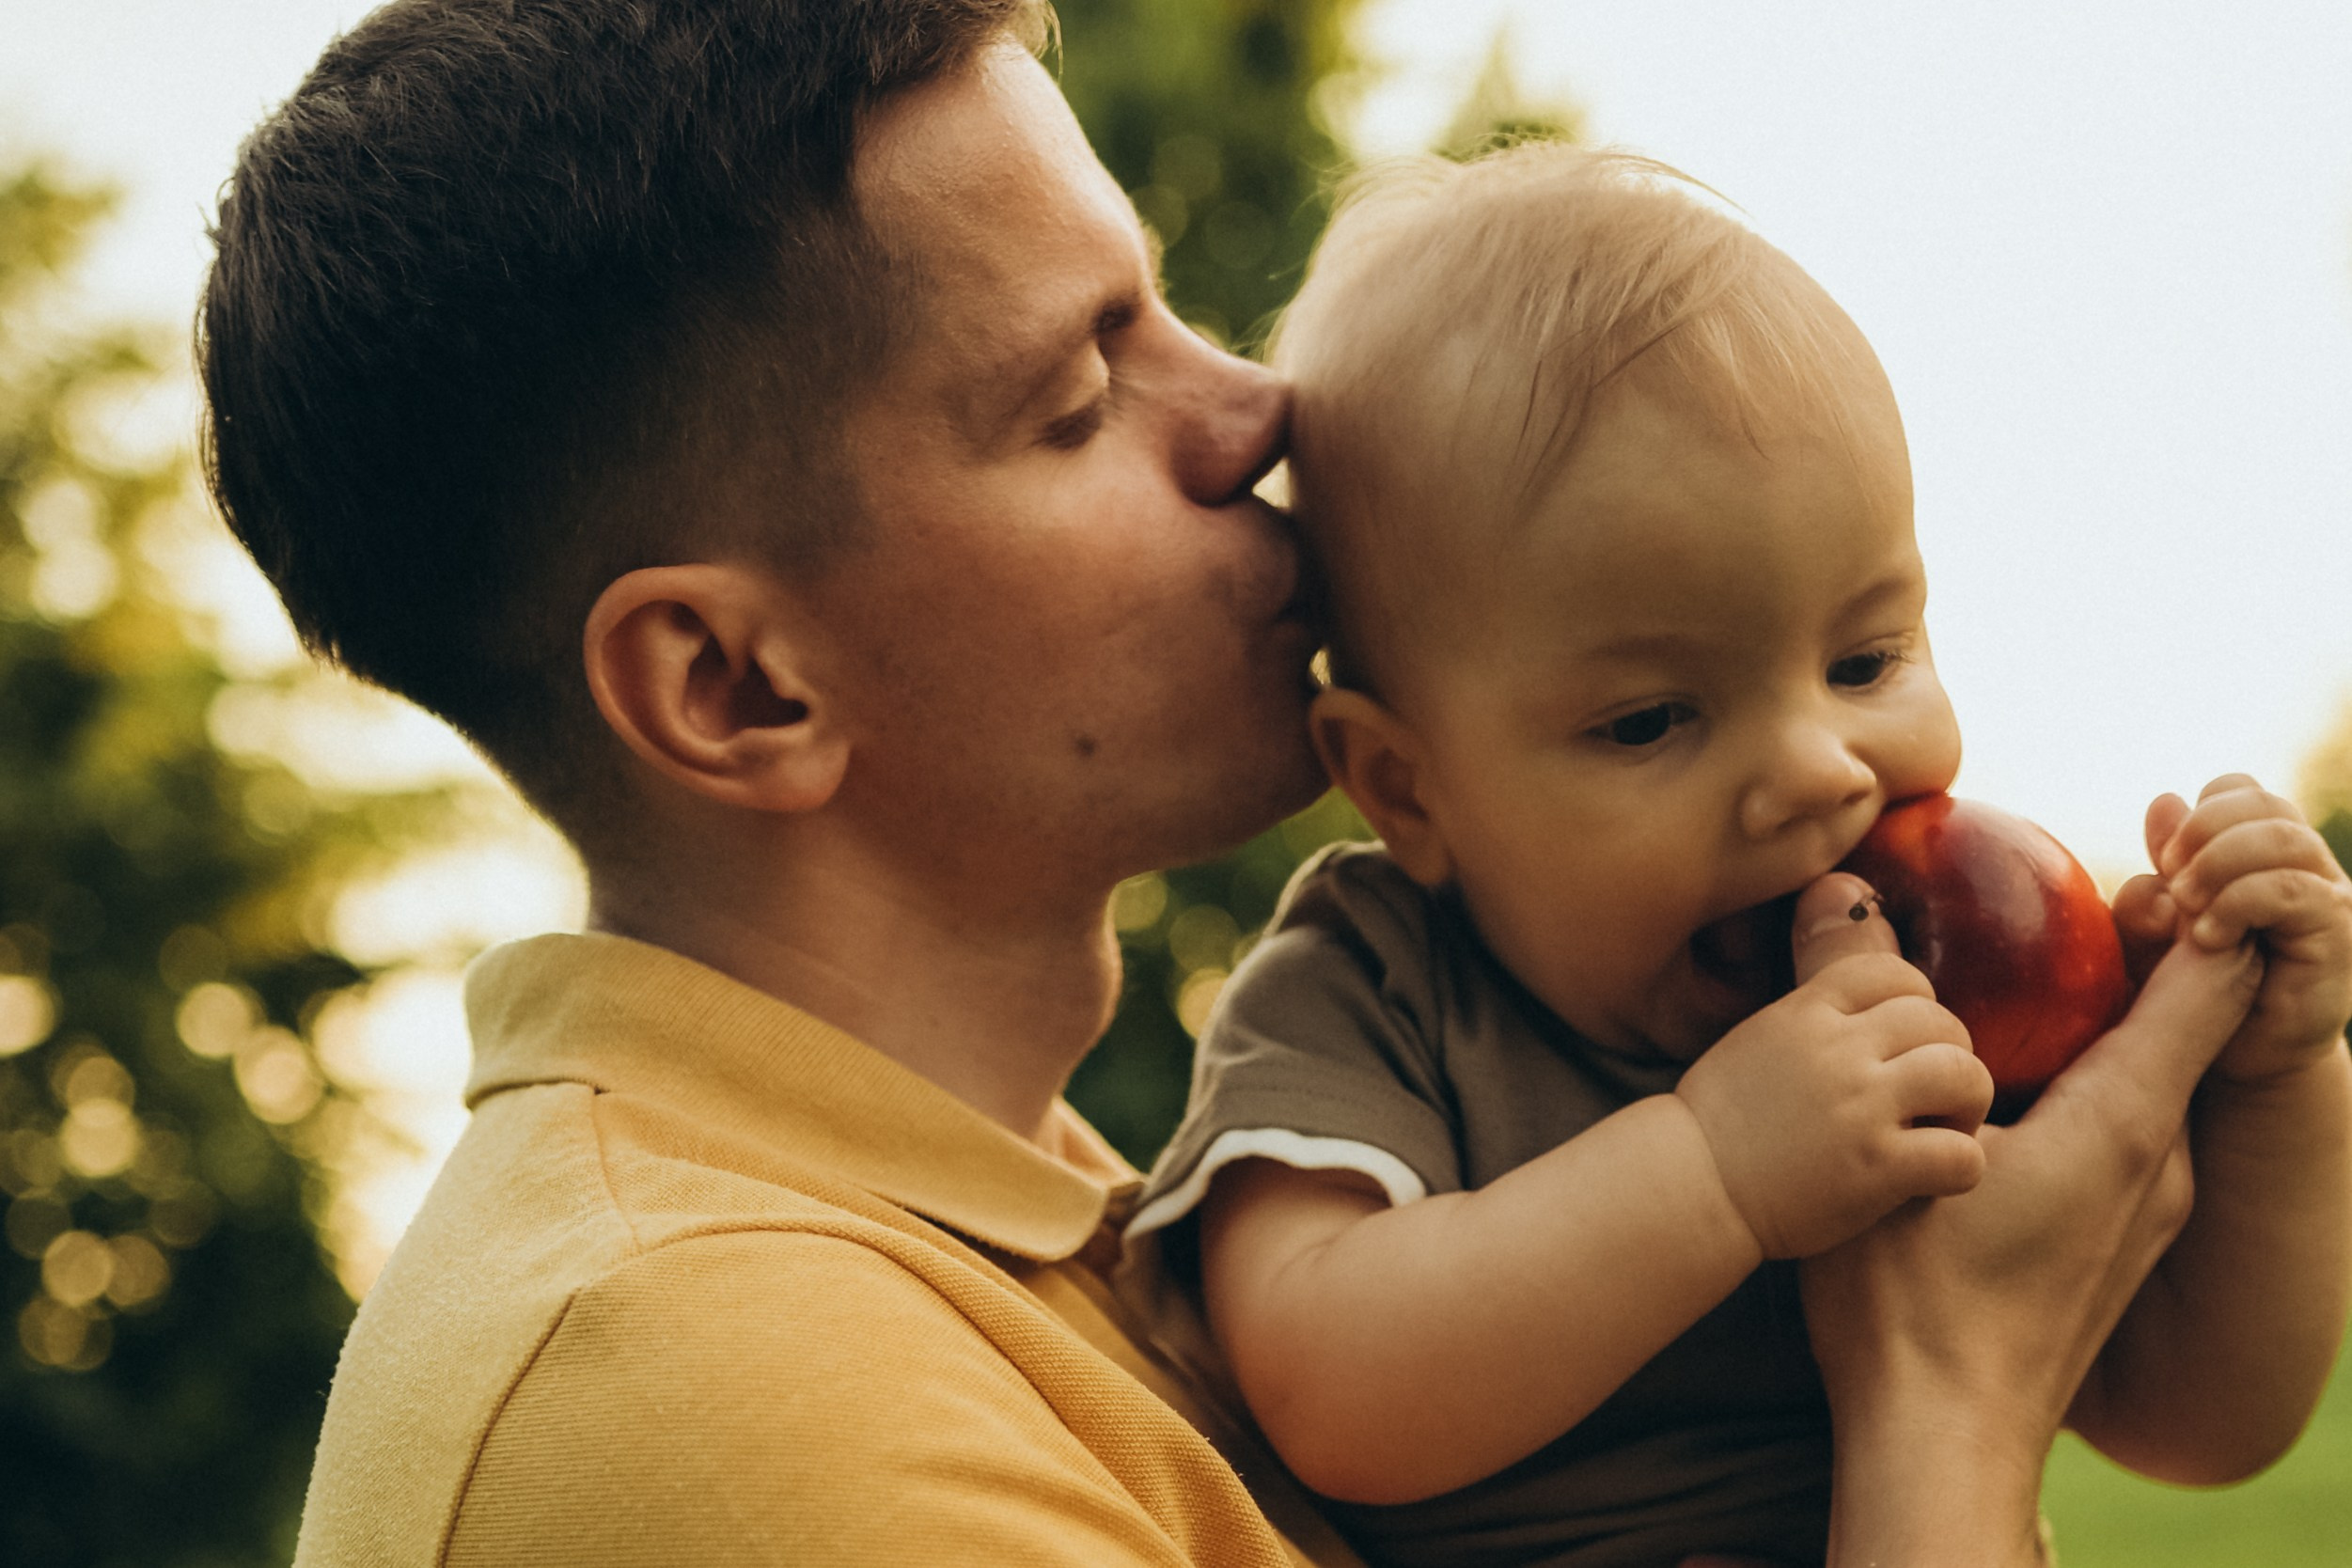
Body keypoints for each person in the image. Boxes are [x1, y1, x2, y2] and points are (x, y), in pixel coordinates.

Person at [192, 3, 2316, 1563]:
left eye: (1178, 314)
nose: (1260, 408)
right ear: (737, 687)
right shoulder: (721, 1400)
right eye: (1078, 389)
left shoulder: (997, 1244)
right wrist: (1942, 1414)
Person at [1121, 145, 2352, 1567]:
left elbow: (2200, 1424)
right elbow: (1329, 1388)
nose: (1816, 771)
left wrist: (2272, 1080)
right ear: (1406, 790)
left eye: (1864, 658)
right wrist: (1713, 1172)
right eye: (1650, 719)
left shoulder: (1947, 1002)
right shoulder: (1375, 982)